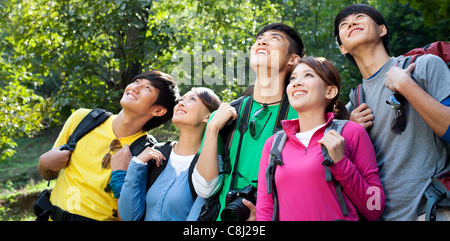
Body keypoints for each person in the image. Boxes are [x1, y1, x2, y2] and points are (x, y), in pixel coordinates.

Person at [334, 3, 450, 220]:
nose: (351, 22)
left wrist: (407, 86)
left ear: (382, 29)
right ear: (343, 48)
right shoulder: (353, 106)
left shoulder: (423, 67)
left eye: (360, 17)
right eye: (343, 24)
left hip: (432, 210)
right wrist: (351, 132)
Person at [195, 23, 305, 220]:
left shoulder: (304, 114)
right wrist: (212, 128)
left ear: (293, 59)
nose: (262, 41)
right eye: (260, 39)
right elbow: (205, 187)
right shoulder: (225, 115)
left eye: (274, 39)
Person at [37, 70, 179, 221]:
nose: (135, 87)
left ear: (158, 110)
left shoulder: (147, 154)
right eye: (137, 81)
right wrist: (43, 163)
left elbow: (127, 218)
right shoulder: (83, 120)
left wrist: (121, 177)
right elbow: (50, 173)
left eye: (147, 88)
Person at [256, 56, 385, 221]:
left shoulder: (351, 132)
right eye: (293, 78)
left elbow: (375, 207)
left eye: (308, 75)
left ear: (330, 91)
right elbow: (265, 209)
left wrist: (341, 164)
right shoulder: (273, 145)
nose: (296, 82)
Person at [116, 87, 221, 221]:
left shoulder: (211, 164)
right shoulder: (156, 153)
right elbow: (128, 216)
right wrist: (137, 164)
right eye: (182, 99)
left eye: (192, 99)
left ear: (208, 117)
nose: (181, 103)